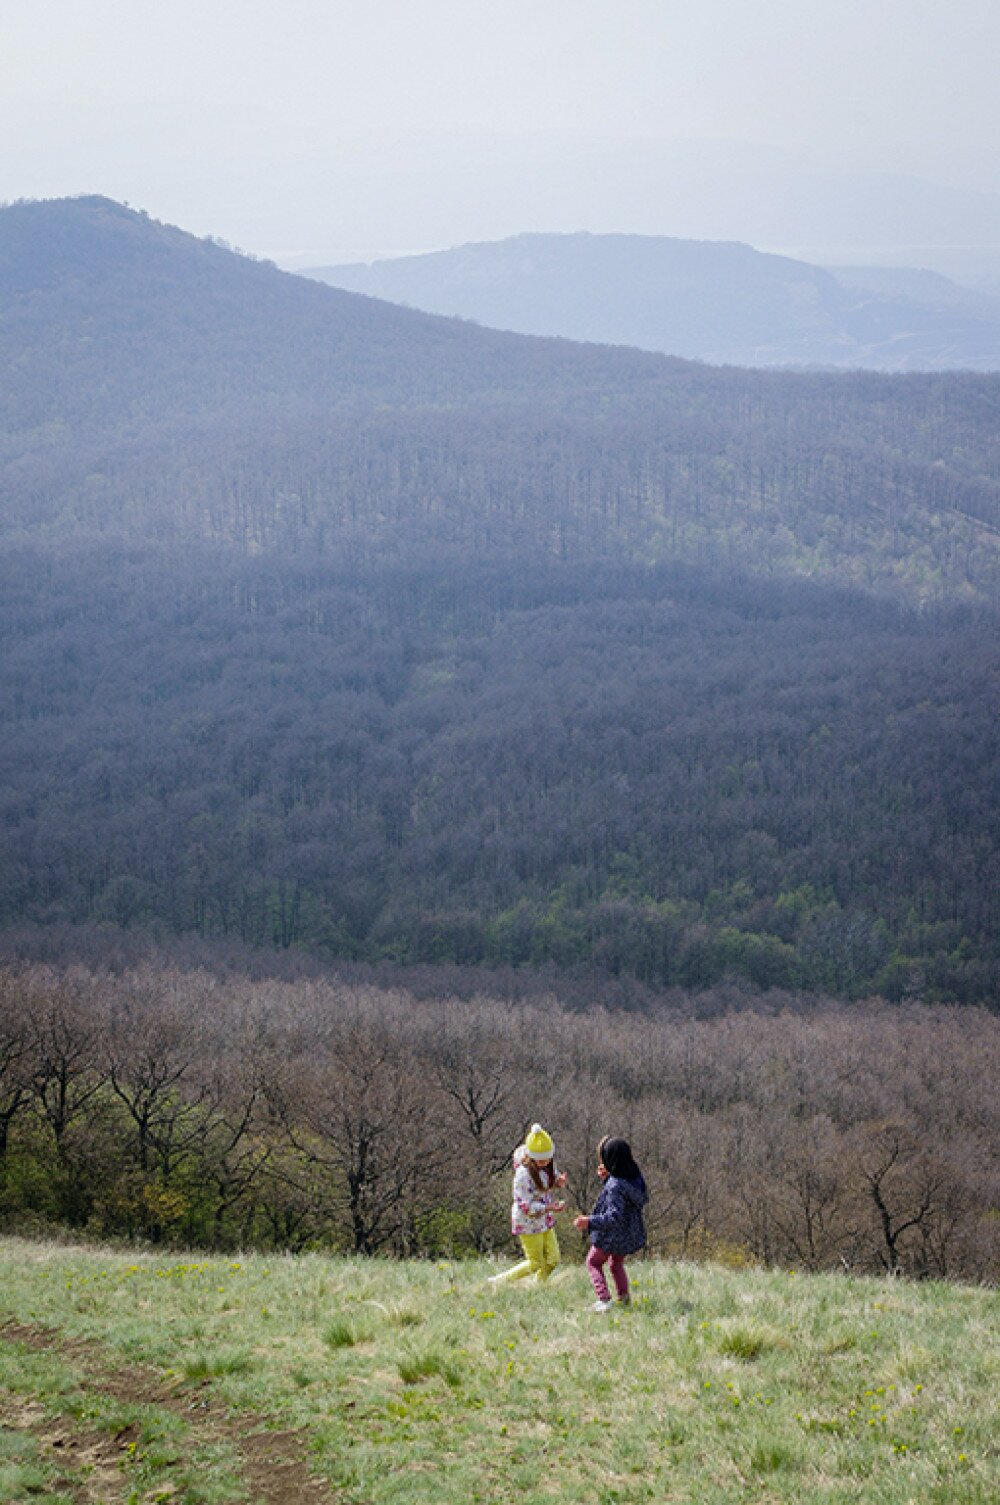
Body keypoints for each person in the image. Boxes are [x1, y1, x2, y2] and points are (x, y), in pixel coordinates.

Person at [574, 1136, 648, 1312]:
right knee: (616, 1264)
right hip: (628, 1234)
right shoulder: (635, 1176)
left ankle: (604, 1300)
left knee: (593, 1262)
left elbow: (614, 1216)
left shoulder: (615, 1185)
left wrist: (589, 1221)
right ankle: (623, 1298)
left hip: (611, 1236)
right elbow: (625, 1196)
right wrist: (607, 1179)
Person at [489, 1123, 567, 1285]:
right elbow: (525, 1206)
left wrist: (558, 1183)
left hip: (544, 1220)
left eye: (547, 1159)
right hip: (527, 1223)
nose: (544, 1163)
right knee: (535, 1262)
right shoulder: (522, 1175)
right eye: (540, 1160)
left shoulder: (548, 1166)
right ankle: (498, 1282)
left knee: (553, 1260)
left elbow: (547, 1184)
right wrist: (548, 1207)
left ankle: (537, 1286)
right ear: (531, 1157)